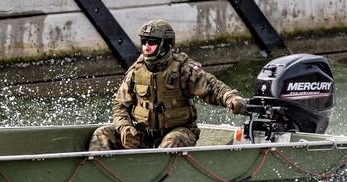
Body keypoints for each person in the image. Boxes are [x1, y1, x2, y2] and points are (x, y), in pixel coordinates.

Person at [89, 19, 247, 151]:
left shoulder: (183, 69)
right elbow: (120, 106)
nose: (146, 47)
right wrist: (124, 128)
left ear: (165, 44)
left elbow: (212, 87)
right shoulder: (136, 71)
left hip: (180, 132)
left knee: (171, 142)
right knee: (102, 134)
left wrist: (230, 98)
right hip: (144, 134)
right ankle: (100, 179)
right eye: (144, 42)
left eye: (152, 43)